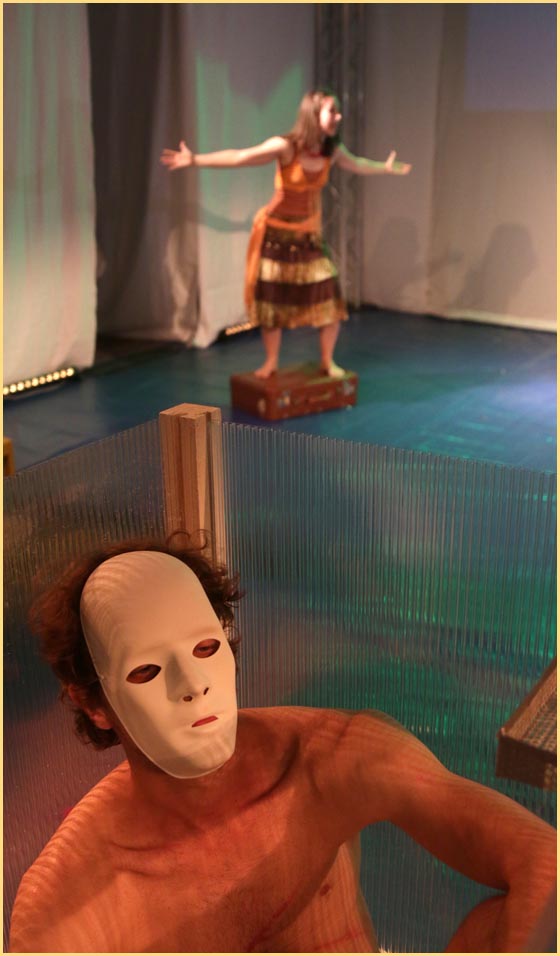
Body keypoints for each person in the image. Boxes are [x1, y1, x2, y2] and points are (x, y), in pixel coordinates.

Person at [9, 534, 556, 953]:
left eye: (204, 648)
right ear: (94, 703)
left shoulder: (329, 757)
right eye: (146, 670)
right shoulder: (67, 908)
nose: (192, 685)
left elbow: (545, 863)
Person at [161, 88, 411, 379]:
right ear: (313, 114)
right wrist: (195, 160)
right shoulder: (285, 146)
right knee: (273, 303)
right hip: (276, 235)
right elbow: (241, 156)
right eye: (332, 111)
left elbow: (356, 164)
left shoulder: (331, 151)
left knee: (329, 299)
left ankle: (327, 361)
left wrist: (385, 168)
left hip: (307, 237)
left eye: (338, 111)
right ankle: (270, 362)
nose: (339, 117)